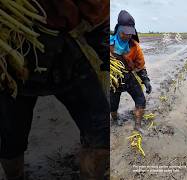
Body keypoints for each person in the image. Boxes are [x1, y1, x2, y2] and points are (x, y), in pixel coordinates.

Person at [0, 0, 109, 179]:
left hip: (64, 51)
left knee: (101, 131)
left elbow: (98, 14)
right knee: (11, 138)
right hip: (14, 48)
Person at [110, 10, 152, 134]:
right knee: (112, 105)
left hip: (128, 76)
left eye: (130, 33)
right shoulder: (108, 44)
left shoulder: (135, 46)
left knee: (141, 99)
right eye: (125, 33)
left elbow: (140, 66)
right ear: (118, 29)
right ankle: (115, 119)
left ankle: (138, 125)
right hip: (113, 80)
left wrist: (146, 80)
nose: (128, 36)